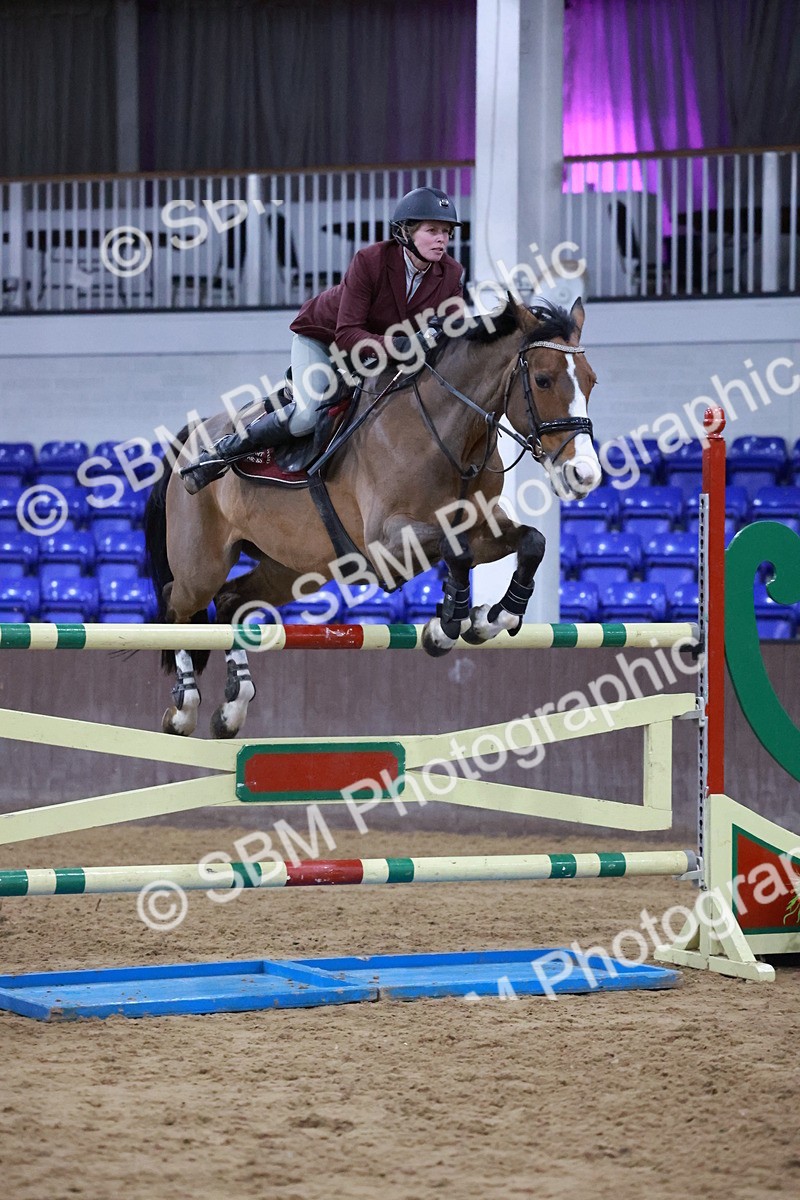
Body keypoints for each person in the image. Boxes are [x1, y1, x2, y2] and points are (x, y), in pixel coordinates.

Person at [181, 186, 464, 494]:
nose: (442, 239)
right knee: (306, 416)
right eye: (432, 230)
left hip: (376, 353)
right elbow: (347, 334)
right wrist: (403, 345)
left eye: (447, 232)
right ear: (406, 232)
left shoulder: (450, 274)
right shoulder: (371, 261)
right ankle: (221, 453)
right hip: (324, 340)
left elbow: (455, 333)